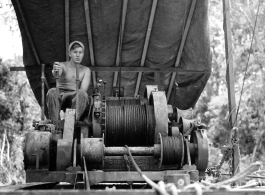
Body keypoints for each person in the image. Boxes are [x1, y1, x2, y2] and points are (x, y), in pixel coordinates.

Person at [46, 41, 91, 122]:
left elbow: (83, 90)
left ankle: (71, 122)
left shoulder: (86, 70)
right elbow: (56, 73)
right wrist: (55, 70)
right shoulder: (62, 65)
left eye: (80, 52)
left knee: (83, 94)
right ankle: (55, 123)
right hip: (60, 94)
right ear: (70, 54)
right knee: (51, 91)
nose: (78, 55)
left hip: (74, 96)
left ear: (83, 54)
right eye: (75, 52)